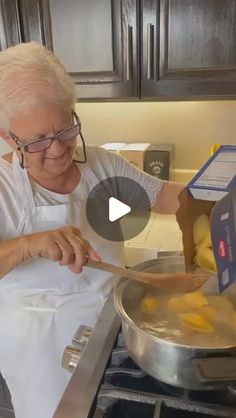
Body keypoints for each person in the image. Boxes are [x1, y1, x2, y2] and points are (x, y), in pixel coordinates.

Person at [0, 42, 184, 418]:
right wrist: (27, 244)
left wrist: (220, 194)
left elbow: (166, 197)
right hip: (41, 350)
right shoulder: (4, 188)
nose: (57, 150)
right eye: (37, 141)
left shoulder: (100, 165)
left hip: (111, 334)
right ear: (7, 137)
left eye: (66, 129)